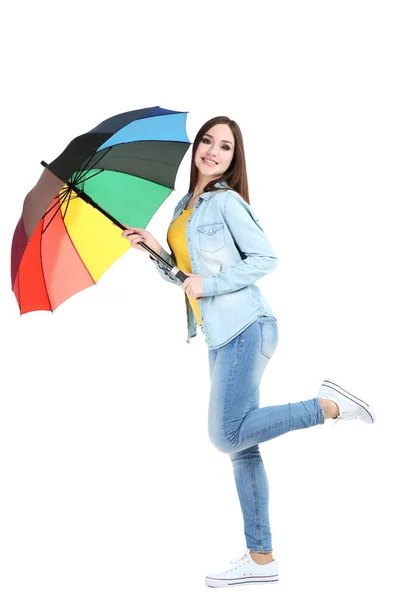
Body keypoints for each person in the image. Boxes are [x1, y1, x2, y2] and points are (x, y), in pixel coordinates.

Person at [121, 116, 376, 588]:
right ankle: (262, 559)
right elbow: (187, 278)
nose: (213, 151)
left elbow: (265, 258)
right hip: (219, 335)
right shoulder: (184, 208)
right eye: (207, 141)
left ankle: (330, 406)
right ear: (196, 148)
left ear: (234, 159)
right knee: (242, 447)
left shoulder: (226, 202)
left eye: (224, 147)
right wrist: (156, 249)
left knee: (225, 435)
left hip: (246, 326)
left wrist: (209, 282)